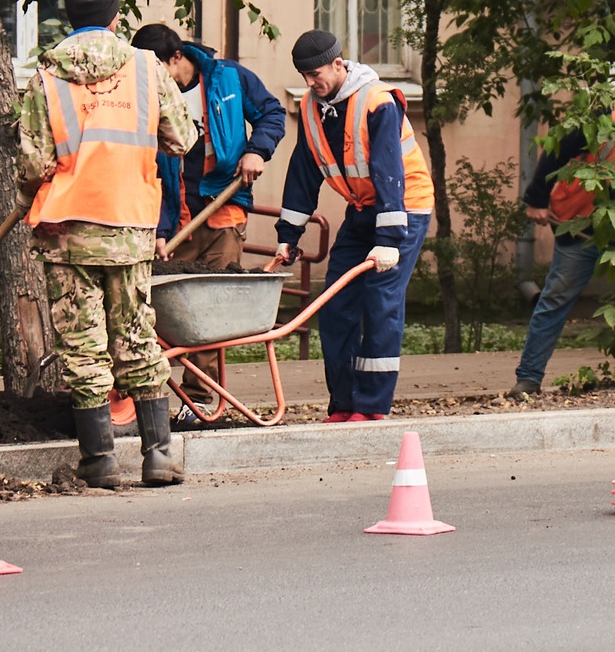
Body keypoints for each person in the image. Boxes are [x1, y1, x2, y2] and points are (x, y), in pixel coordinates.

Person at [16, 0, 197, 488]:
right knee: (138, 335)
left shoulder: (46, 78)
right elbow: (181, 139)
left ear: (67, 20)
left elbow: (32, 166)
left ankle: (99, 460)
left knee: (83, 345)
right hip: (130, 228)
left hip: (67, 233)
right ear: (117, 18)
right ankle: (159, 455)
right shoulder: (145, 68)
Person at [274, 30, 434, 422]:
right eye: (304, 76)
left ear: (339, 64)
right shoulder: (313, 109)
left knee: (380, 303)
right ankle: (343, 404)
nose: (311, 83)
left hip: (403, 210)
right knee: (334, 305)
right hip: (363, 210)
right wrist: (288, 237)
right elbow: (303, 173)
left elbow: (388, 172)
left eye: (316, 74)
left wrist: (389, 240)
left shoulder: (379, 103)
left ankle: (371, 406)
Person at [132, 23, 286, 424]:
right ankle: (154, 397)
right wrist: (160, 231)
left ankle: (200, 400)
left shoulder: (227, 78)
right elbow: (151, 168)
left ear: (177, 58)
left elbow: (272, 112)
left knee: (209, 313)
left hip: (223, 210)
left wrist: (257, 151)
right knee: (167, 318)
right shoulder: (147, 96)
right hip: (176, 215)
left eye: (158, 70)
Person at [508, 100, 615, 398]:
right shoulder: (614, 115)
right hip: (580, 222)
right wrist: (537, 198)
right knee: (556, 297)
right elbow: (558, 148)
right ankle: (528, 378)